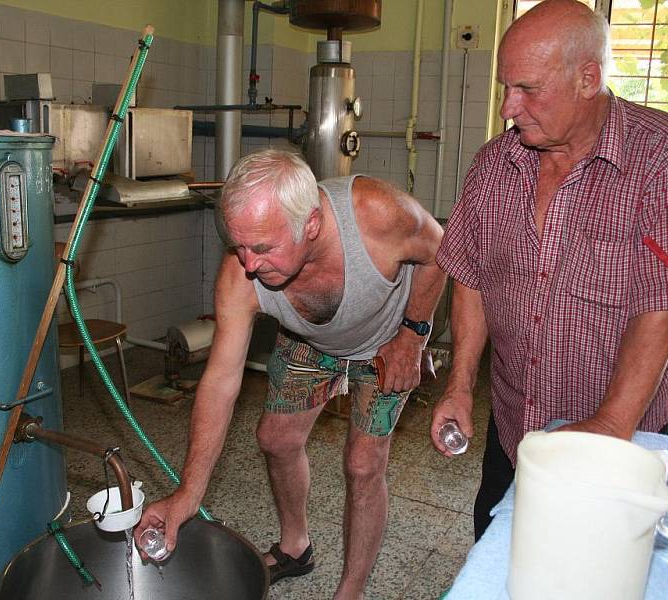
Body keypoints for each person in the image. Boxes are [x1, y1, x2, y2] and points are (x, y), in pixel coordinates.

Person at [430, 0, 668, 542]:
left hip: (622, 437)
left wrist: (609, 426)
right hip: (515, 428)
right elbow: (469, 275)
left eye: (528, 89)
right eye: (505, 87)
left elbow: (664, 304)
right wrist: (461, 386)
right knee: (504, 553)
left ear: (589, 78)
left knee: (601, 566)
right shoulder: (496, 162)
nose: (509, 107)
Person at [135, 149, 445, 600]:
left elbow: (443, 252)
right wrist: (188, 493)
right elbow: (221, 382)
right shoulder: (241, 274)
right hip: (309, 340)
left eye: (262, 247)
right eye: (238, 245)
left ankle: (350, 591)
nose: (248, 264)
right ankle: (295, 549)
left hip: (384, 342)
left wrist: (414, 336)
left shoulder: (377, 214)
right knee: (275, 439)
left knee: (363, 464)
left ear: (312, 225)